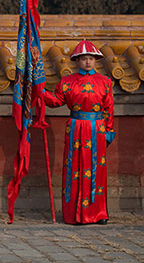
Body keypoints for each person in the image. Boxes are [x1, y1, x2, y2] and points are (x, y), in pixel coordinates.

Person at [42, 40, 115, 225]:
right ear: (77, 61)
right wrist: (39, 91)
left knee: (97, 169)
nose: (88, 62)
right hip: (76, 128)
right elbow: (56, 101)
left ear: (96, 60)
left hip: (97, 129)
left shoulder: (105, 82)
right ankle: (74, 212)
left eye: (91, 59)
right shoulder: (67, 83)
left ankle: (99, 213)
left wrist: (109, 131)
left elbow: (108, 109)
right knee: (74, 168)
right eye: (84, 59)